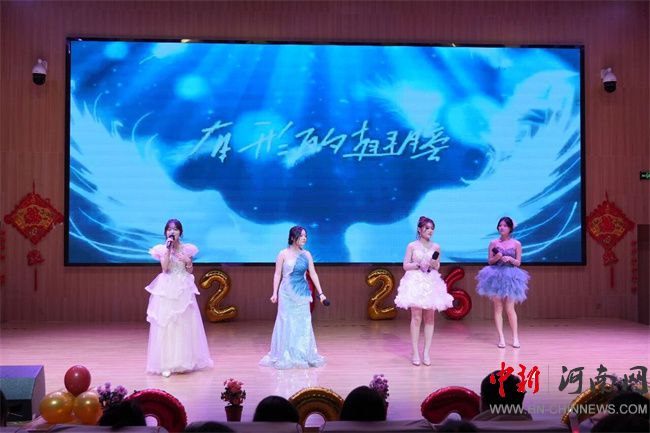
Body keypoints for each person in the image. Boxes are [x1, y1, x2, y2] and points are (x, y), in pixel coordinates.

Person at [145, 218, 213, 376]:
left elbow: (189, 271)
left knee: (185, 323)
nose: (172, 231)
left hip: (183, 288)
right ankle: (167, 362)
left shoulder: (187, 249)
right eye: (169, 229)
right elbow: (164, 268)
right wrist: (168, 250)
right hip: (168, 288)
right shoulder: (162, 249)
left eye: (175, 229)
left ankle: (185, 361)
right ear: (165, 232)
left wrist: (188, 261)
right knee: (168, 324)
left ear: (180, 232)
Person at [259, 226, 326, 369]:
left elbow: (313, 273)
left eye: (305, 236)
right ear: (292, 237)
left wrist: (321, 293)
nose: (304, 238)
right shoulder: (283, 254)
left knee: (303, 322)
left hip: (301, 293)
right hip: (286, 293)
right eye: (301, 235)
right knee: (285, 321)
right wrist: (274, 293)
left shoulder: (307, 255)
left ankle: (302, 354)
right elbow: (277, 274)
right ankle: (284, 354)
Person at [394, 216, 454, 366]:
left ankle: (426, 352)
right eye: (427, 228)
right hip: (415, 281)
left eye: (432, 228)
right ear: (419, 230)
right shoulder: (412, 246)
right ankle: (415, 352)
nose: (430, 231)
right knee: (416, 317)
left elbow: (437, 266)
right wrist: (418, 265)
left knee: (430, 318)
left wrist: (433, 263)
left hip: (430, 281)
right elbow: (405, 265)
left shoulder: (436, 247)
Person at [475, 216, 530, 348]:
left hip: (511, 276)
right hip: (495, 275)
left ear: (510, 228)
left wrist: (510, 259)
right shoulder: (493, 243)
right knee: (498, 307)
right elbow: (490, 261)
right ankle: (501, 338)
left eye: (505, 225)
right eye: (500, 225)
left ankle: (515, 338)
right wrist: (497, 257)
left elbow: (518, 262)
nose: (501, 227)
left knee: (510, 308)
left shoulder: (516, 243)